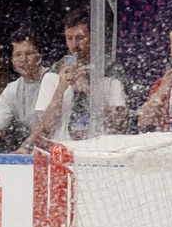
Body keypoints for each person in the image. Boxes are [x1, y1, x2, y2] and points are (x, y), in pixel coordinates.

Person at [30, 12, 129, 143]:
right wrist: (60, 89)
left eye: (80, 38)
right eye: (69, 38)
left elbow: (118, 124)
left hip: (101, 151)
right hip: (62, 151)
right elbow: (45, 127)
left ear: (93, 38)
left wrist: (88, 90)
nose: (74, 45)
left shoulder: (111, 74)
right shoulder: (53, 75)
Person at [0, 30, 48, 151]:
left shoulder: (51, 78)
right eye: (18, 55)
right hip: (32, 153)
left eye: (29, 54)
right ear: (12, 61)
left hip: (56, 153)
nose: (24, 59)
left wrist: (25, 148)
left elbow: (44, 127)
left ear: (39, 57)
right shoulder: (12, 89)